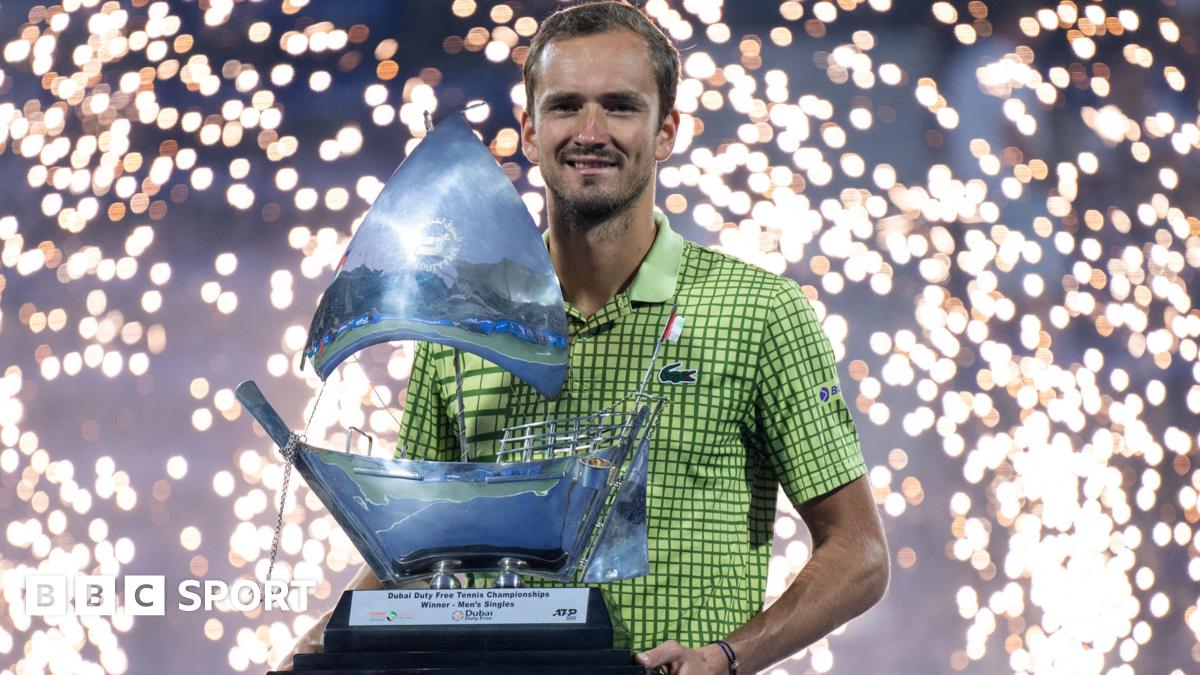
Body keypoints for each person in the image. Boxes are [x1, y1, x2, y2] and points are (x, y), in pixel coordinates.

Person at [278, 2, 888, 672]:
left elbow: (859, 552)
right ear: (530, 131)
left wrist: (728, 655)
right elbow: (413, 554)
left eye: (620, 107)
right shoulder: (460, 324)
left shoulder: (758, 312)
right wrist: (308, 650)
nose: (591, 132)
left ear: (666, 132)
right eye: (566, 106)